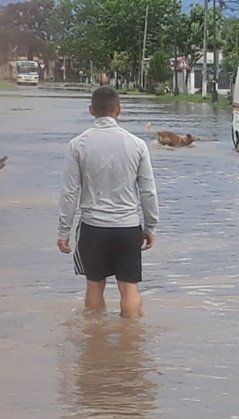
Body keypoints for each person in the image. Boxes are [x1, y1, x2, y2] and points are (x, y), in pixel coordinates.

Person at [57, 87, 159, 318]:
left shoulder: (77, 145)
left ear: (91, 110)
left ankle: (94, 342)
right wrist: (150, 227)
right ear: (118, 110)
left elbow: (69, 192)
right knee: (129, 287)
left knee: (94, 285)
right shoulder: (137, 145)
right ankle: (132, 342)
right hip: (128, 227)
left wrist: (64, 231)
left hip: (93, 228)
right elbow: (148, 191)